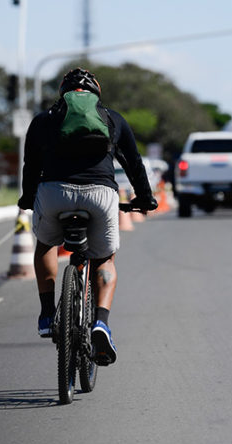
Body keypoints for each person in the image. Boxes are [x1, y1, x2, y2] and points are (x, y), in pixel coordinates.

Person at [18, 67, 157, 365]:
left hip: (54, 193)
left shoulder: (44, 120)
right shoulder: (111, 118)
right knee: (104, 258)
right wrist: (145, 198)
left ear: (63, 93)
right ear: (96, 93)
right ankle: (101, 323)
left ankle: (46, 314)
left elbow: (31, 165)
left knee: (45, 246)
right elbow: (133, 163)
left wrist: (29, 198)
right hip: (101, 195)